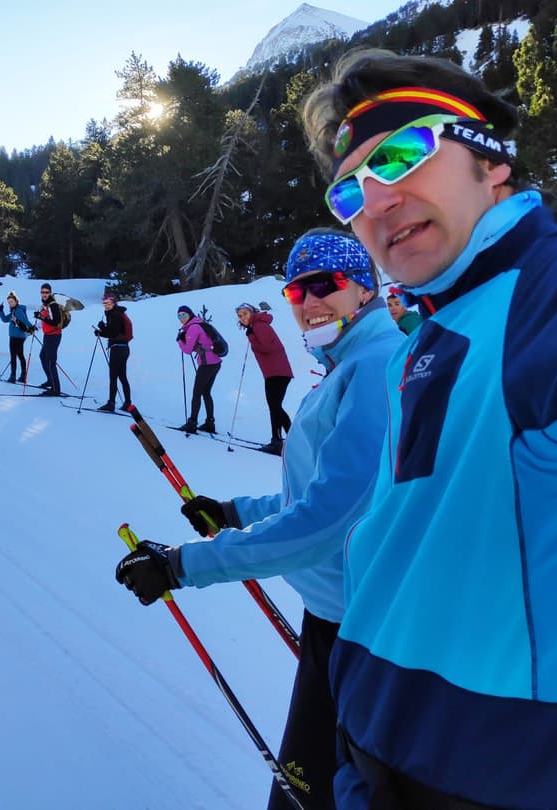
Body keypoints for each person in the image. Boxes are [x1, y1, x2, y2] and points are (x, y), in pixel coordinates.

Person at [300, 49, 557, 809]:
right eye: (349, 190)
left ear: (492, 165)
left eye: (402, 155)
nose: (377, 200)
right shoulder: (430, 334)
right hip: (377, 769)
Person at [115, 229, 403, 810]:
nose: (310, 300)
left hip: (366, 631)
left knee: (314, 792)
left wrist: (181, 566)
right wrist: (232, 513)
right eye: (298, 291)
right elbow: (317, 497)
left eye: (327, 283)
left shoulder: (374, 366)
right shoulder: (347, 365)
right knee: (310, 786)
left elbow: (327, 522)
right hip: (336, 618)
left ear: (366, 288)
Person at [236, 303, 294, 455]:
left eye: (245, 314)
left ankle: (280, 440)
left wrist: (252, 337)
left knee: (275, 406)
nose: (243, 318)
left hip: (277, 372)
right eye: (240, 316)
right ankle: (285, 439)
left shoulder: (259, 326)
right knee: (275, 406)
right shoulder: (256, 326)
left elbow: (266, 348)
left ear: (253, 312)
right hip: (274, 372)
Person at [175, 305, 221, 434]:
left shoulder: (193, 327)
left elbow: (187, 350)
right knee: (206, 392)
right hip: (215, 362)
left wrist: (180, 341)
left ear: (190, 314)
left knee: (197, 394)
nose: (182, 318)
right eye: (179, 316)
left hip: (207, 364)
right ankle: (210, 423)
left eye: (184, 315)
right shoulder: (200, 323)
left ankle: (192, 423)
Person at [93, 292, 133, 412]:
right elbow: (114, 331)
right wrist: (102, 330)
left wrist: (102, 329)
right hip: (124, 348)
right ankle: (127, 402)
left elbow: (113, 333)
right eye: (104, 303)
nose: (106, 305)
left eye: (108, 303)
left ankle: (111, 404)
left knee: (113, 377)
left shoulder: (115, 314)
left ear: (114, 303)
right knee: (122, 376)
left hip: (118, 349)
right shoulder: (117, 313)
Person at [33, 283, 64, 396]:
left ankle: (56, 389)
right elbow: (45, 321)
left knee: (51, 362)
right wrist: (36, 326)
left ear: (50, 293)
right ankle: (50, 380)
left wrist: (41, 317)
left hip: (54, 336)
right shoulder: (45, 305)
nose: (44, 294)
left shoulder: (53, 305)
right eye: (42, 292)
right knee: (43, 357)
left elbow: (55, 321)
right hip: (48, 335)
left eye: (46, 292)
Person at [0, 291, 34, 383]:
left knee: (14, 356)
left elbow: (25, 320)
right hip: (16, 336)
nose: (10, 303)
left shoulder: (18, 311)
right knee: (20, 355)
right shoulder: (14, 311)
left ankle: (13, 376)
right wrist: (1, 311)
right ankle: (22, 376)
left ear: (16, 301)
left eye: (12, 301)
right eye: (9, 302)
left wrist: (32, 328)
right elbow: (5, 319)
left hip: (17, 337)